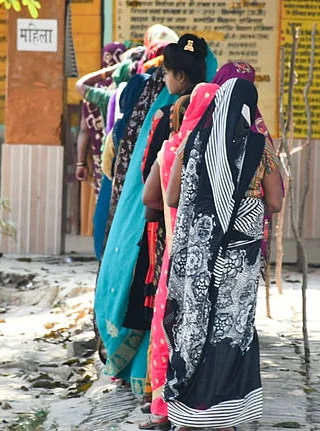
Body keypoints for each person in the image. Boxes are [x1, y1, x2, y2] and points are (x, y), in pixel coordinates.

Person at [94, 34, 217, 397]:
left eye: (165, 74)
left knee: (157, 297)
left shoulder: (167, 115)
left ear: (178, 76)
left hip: (163, 224)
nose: (162, 80)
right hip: (205, 229)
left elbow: (147, 177)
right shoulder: (216, 112)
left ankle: (153, 378)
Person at [162, 77, 283, 431]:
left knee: (194, 325)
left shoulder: (192, 143)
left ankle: (187, 416)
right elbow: (275, 201)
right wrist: (245, 202)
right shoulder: (259, 148)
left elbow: (171, 199)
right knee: (230, 329)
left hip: (196, 257)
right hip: (239, 259)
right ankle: (224, 417)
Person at [73, 42, 126, 249]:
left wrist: (80, 164)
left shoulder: (96, 93)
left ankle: (102, 249)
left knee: (103, 207)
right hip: (124, 158)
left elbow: (84, 131)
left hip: (100, 159)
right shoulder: (128, 89)